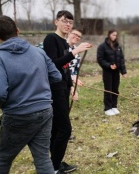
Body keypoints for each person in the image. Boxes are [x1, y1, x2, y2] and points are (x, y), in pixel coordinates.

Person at [0, 16, 62, 173]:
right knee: (43, 158)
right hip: (44, 111)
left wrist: (2, 106)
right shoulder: (39, 52)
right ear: (18, 31)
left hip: (17, 115)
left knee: (4, 158)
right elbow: (56, 76)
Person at [43, 10, 92, 173]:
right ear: (56, 22)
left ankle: (55, 163)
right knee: (65, 129)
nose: (67, 24)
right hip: (54, 90)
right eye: (64, 21)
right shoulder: (51, 39)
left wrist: (71, 86)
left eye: (70, 22)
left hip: (63, 88)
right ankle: (55, 167)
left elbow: (65, 69)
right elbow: (53, 64)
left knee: (57, 128)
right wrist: (75, 52)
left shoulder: (64, 43)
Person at [97, 29, 127, 116]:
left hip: (116, 72)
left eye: (116, 35)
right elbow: (100, 59)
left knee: (115, 89)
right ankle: (108, 108)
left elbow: (121, 59)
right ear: (109, 35)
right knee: (108, 90)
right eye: (113, 35)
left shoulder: (118, 46)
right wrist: (109, 65)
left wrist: (123, 71)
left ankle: (114, 106)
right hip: (107, 72)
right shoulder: (102, 47)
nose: (114, 37)